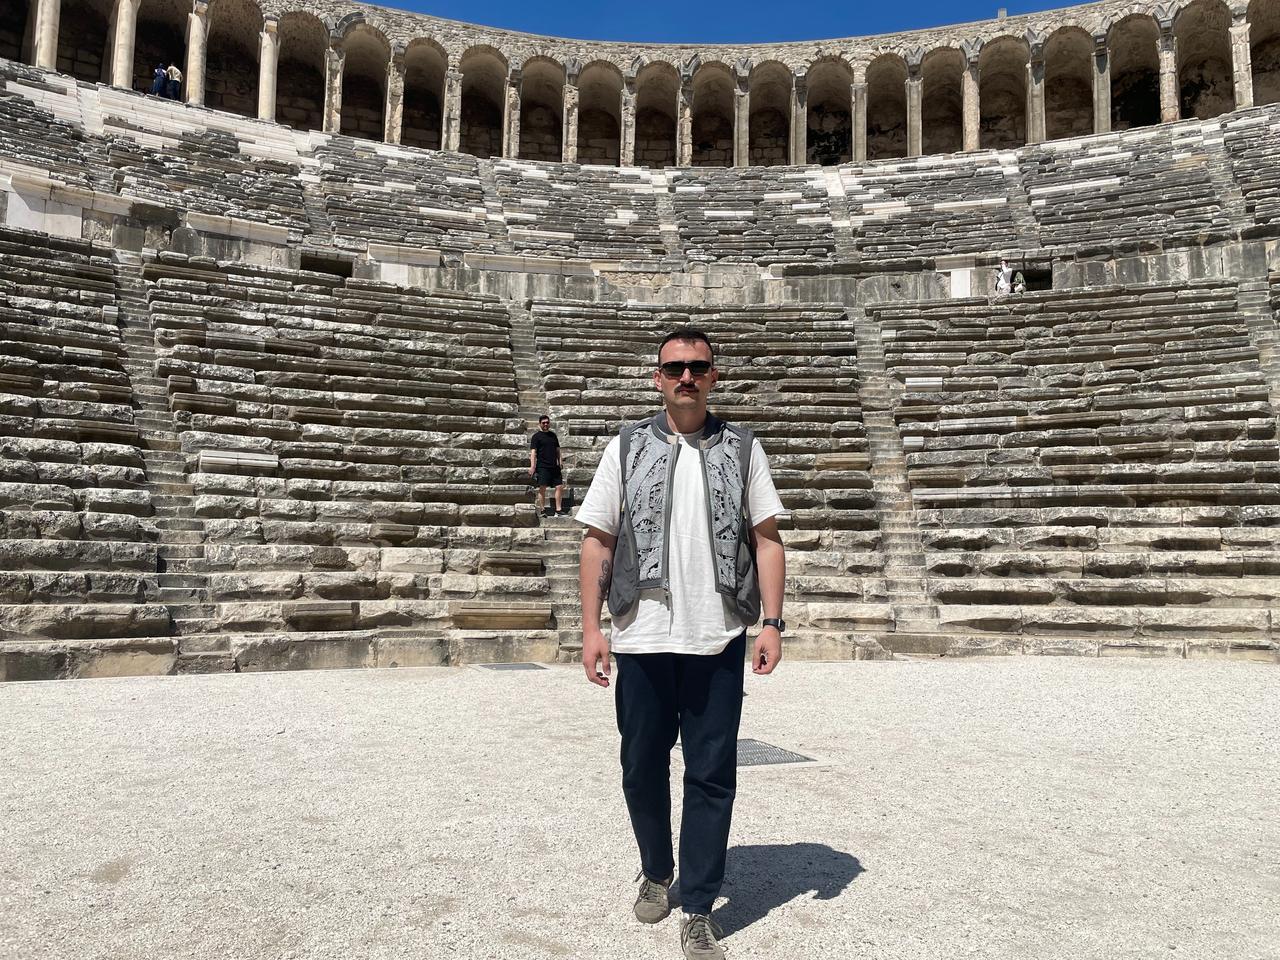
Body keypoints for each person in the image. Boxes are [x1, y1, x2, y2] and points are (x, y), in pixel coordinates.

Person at [575, 328, 787, 960]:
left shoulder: (743, 448)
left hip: (716, 635)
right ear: (657, 377)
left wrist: (772, 622)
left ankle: (696, 903)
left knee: (712, 774)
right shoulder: (627, 446)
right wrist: (591, 629)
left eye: (697, 367)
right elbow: (598, 540)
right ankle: (656, 869)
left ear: (714, 376)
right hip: (640, 636)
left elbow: (768, 538)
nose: (686, 377)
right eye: (675, 368)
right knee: (641, 766)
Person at [529, 414, 566, 517]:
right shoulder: (536, 437)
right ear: (540, 424)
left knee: (559, 487)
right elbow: (533, 453)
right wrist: (532, 466)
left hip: (554, 466)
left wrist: (560, 461)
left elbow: (558, 450)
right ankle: (542, 510)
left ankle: (558, 510)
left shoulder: (553, 435)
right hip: (542, 466)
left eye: (547, 422)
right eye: (543, 423)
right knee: (542, 488)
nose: (545, 424)